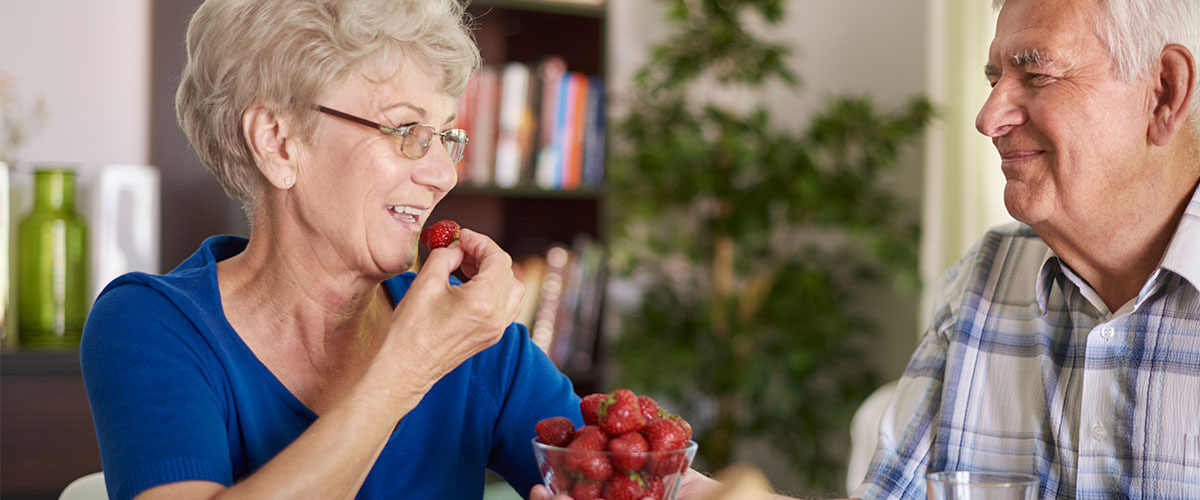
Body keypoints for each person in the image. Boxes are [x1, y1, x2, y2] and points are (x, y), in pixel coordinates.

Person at [80, 1, 584, 499]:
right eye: (407, 131)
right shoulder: (155, 325)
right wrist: (409, 367)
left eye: (445, 136)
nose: (443, 175)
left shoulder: (474, 340)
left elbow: (622, 470)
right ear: (277, 142)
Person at [855, 0, 1200, 498]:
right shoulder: (985, 278)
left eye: (1036, 73)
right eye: (994, 80)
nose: (987, 117)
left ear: (1164, 91)